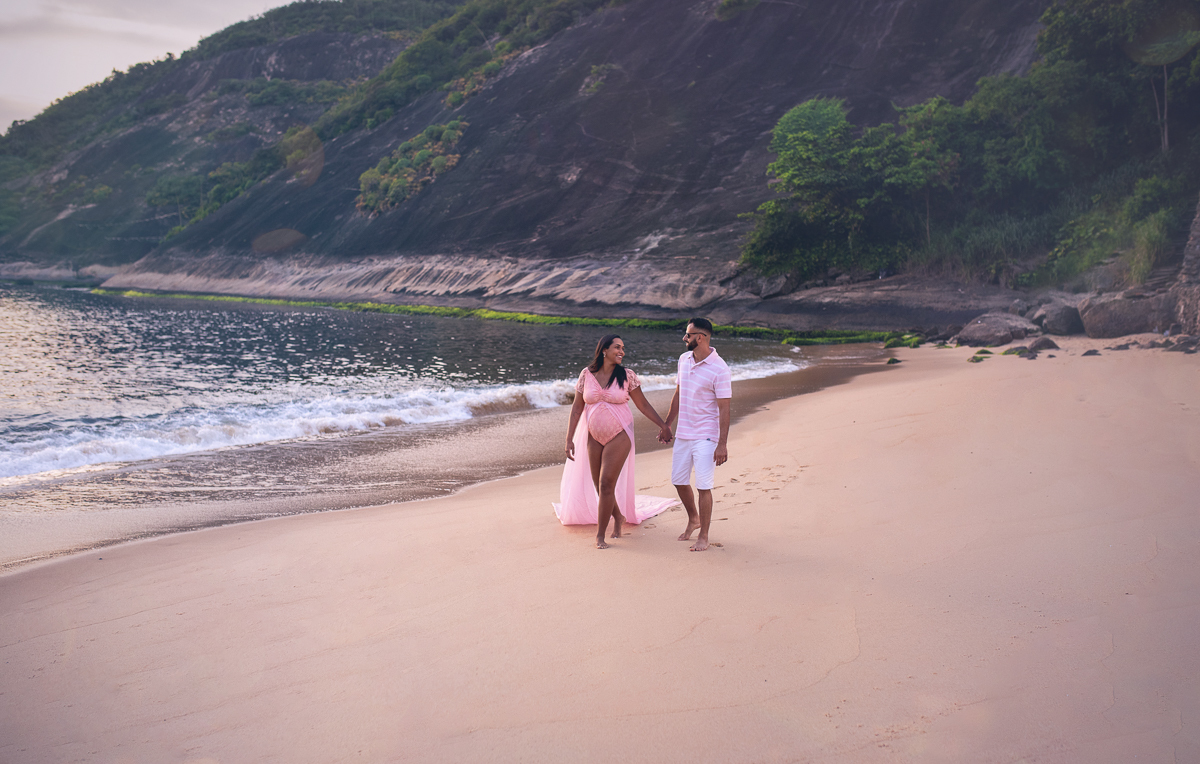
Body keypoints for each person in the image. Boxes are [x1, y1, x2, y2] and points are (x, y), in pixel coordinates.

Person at [554, 334, 676, 549]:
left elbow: (643, 405)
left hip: (620, 434)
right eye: (617, 347)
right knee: (599, 486)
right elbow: (576, 409)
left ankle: (601, 535)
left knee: (605, 483)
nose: (622, 352)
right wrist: (568, 439)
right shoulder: (586, 374)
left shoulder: (627, 375)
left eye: (623, 348)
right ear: (604, 350)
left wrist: (663, 425)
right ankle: (618, 516)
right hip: (593, 436)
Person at [665, 318, 731, 551]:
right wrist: (667, 424)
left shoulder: (720, 368)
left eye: (688, 334)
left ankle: (704, 535)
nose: (685, 338)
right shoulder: (684, 359)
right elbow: (678, 392)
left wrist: (722, 444)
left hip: (706, 435)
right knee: (679, 481)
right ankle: (694, 518)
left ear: (700, 337)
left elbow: (724, 408)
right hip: (684, 432)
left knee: (703, 485)